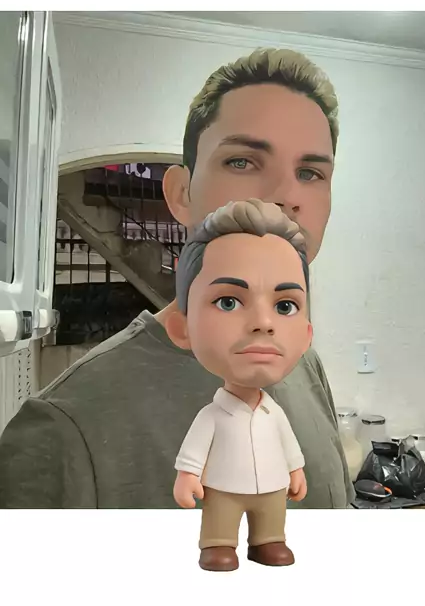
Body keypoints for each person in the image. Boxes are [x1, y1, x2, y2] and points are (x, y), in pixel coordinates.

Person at [0, 47, 353, 509]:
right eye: (243, 161)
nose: (286, 195)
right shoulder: (61, 429)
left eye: (310, 172)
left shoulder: (305, 364)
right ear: (181, 194)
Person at [170, 199, 312, 571]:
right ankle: (218, 543)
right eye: (229, 302)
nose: (263, 323)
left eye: (285, 306)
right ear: (182, 328)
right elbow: (195, 450)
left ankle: (268, 540)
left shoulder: (274, 412)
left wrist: (295, 470)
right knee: (220, 519)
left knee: (272, 522)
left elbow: (288, 444)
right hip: (223, 487)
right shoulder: (213, 415)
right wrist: (188, 475)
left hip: (273, 487)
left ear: (307, 335)